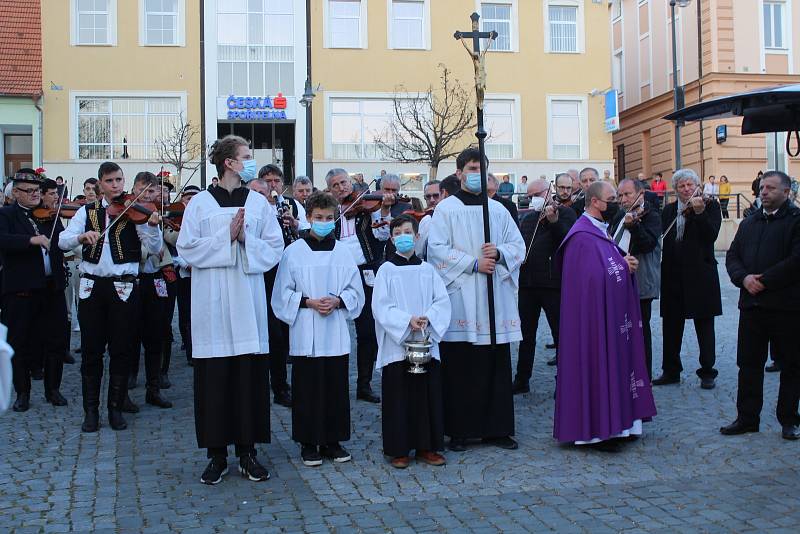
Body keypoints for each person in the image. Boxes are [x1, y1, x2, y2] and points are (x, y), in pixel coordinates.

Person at [176, 135, 284, 484]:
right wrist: (225, 237)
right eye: (246, 157)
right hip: (212, 305)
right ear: (229, 163)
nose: (251, 162)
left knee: (248, 379)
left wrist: (244, 239)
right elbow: (187, 248)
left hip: (248, 301)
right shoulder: (200, 204)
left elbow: (274, 248)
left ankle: (248, 452)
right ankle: (216, 454)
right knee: (215, 381)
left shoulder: (258, 202)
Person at [427, 148, 525, 452]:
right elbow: (437, 250)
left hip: (494, 296)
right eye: (471, 168)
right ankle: (459, 430)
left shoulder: (497, 209)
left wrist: (498, 254)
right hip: (463, 299)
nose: (476, 174)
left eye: (481, 168)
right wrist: (473, 264)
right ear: (458, 174)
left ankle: (498, 429)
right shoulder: (446, 209)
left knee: (495, 364)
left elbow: (517, 245)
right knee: (461, 367)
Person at [59, 162, 163, 432]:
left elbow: (154, 248)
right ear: (99, 184)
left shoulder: (134, 211)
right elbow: (62, 240)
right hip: (93, 286)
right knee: (92, 351)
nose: (116, 186)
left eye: (119, 180)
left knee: (122, 349)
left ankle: (115, 409)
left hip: (124, 287)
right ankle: (90, 412)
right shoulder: (86, 211)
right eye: (110, 181)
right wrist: (81, 237)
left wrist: (152, 227)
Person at [554, 181, 656, 451]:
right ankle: (599, 430)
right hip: (593, 322)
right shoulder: (581, 237)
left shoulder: (600, 230)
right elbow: (591, 279)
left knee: (618, 363)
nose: (617, 203)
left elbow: (608, 267)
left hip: (610, 317)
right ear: (596, 202)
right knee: (598, 364)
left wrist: (626, 265)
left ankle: (622, 424)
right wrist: (623, 267)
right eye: (611, 198)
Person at [271, 191, 365, 467]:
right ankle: (309, 442)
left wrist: (338, 300)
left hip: (334, 330)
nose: (324, 222)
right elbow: (280, 294)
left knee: (335, 388)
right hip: (306, 329)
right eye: (318, 218)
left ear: (335, 219)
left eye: (328, 218)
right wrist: (307, 301)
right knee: (308, 390)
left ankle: (333, 441)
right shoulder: (293, 252)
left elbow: (355, 291)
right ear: (309, 218)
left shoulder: (343, 252)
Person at [721, 170, 800, 440]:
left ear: (786, 192)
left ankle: (789, 419)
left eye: (770, 188)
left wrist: (764, 281)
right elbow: (732, 255)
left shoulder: (796, 220)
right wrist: (743, 279)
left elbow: (796, 261)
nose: (763, 192)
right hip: (752, 305)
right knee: (749, 364)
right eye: (762, 187)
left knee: (791, 365)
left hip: (786, 307)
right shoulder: (751, 221)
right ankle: (747, 418)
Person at [373, 214, 451, 469]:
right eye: (397, 233)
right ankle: (399, 449)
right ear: (392, 239)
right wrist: (407, 320)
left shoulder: (427, 269)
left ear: (417, 237)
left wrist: (427, 318)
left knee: (427, 395)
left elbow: (442, 301)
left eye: (408, 232)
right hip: (398, 344)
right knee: (398, 396)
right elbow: (381, 306)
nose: (403, 237)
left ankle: (427, 447)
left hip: (425, 340)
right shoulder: (386, 270)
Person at [0, 169, 69, 411]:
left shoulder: (50, 215)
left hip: (51, 288)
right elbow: (3, 240)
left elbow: (62, 241)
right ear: (15, 192)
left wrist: (75, 240)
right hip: (22, 290)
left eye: (37, 191)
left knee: (56, 340)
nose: (34, 195)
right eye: (28, 191)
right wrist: (31, 240)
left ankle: (53, 389)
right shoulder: (6, 214)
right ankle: (23, 393)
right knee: (20, 343)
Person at [327, 168, 390, 403]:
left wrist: (384, 208)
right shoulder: (330, 212)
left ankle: (364, 384)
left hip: (366, 273)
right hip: (337, 276)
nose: (341, 188)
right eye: (335, 185)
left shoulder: (367, 208)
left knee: (367, 331)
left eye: (344, 182)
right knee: (334, 329)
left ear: (351, 182)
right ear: (330, 190)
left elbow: (383, 235)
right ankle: (334, 383)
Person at [655, 169, 722, 389]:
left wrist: (700, 213)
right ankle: (671, 370)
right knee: (672, 324)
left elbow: (710, 235)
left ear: (697, 186)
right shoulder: (669, 210)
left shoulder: (710, 206)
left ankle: (707, 371)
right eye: (682, 186)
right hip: (673, 273)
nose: (686, 189)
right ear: (676, 190)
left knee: (704, 323)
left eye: (690, 185)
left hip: (701, 273)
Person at [513, 177, 576, 393]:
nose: (532, 200)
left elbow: (568, 240)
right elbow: (522, 243)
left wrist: (554, 221)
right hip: (528, 283)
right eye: (529, 197)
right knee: (526, 334)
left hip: (552, 283)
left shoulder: (565, 213)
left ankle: (565, 380)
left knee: (560, 334)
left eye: (535, 196)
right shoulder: (530, 217)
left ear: (548, 193)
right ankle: (522, 379)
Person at [127, 173, 172, 409]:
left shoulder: (155, 213)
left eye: (152, 191)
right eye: (142, 190)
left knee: (157, 332)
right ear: (134, 189)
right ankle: (130, 376)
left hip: (154, 277)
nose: (147, 195)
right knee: (130, 332)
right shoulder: (126, 213)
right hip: (132, 279)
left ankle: (154, 386)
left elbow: (158, 246)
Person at [609, 178, 661, 379]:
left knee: (640, 332)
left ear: (640, 194)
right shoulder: (620, 215)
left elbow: (648, 244)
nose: (623, 199)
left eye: (627, 194)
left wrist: (634, 226)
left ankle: (643, 376)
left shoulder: (651, 215)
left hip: (641, 281)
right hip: (619, 279)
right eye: (620, 195)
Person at [164, 184, 199, 366]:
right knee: (184, 310)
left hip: (199, 270)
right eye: (188, 198)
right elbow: (171, 239)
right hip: (180, 268)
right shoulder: (175, 215)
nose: (191, 201)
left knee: (197, 312)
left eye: (195, 197)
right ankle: (187, 344)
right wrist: (185, 224)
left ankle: (196, 348)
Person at [415, 180, 441, 259]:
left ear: (444, 194)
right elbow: (419, 252)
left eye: (436, 195)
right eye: (428, 197)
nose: (432, 200)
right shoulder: (427, 219)